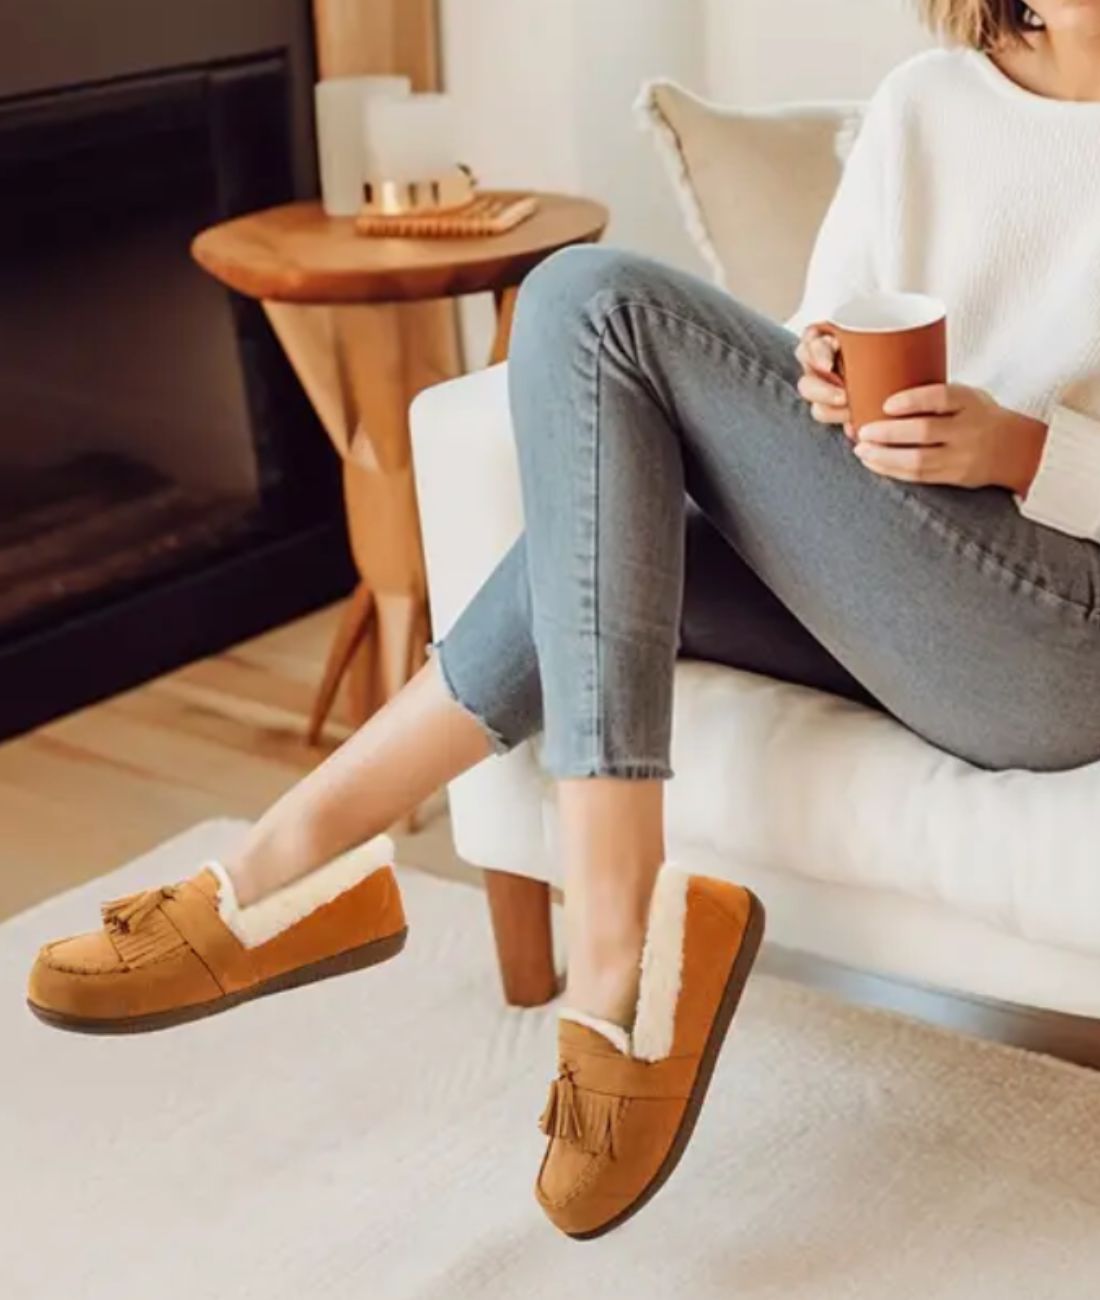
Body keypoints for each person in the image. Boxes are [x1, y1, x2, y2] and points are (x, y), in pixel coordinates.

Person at [25, 0, 1100, 1239]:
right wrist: (819, 383)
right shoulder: (926, 100)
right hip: (902, 581)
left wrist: (1023, 450)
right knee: (606, 526)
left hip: (1056, 638)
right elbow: (819, 352)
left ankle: (605, 947)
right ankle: (293, 868)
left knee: (592, 298)